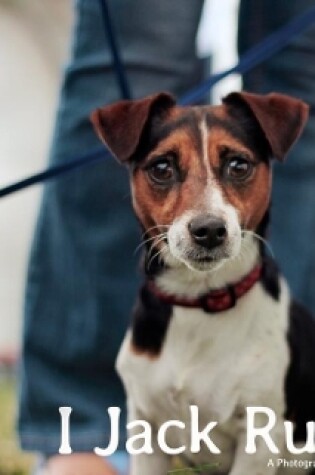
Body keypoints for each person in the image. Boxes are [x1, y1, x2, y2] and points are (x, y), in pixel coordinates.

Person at [18, 1, 315, 474]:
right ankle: (85, 435)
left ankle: (290, 434)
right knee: (136, 54)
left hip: (264, 330)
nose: (205, 214)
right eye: (161, 169)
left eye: (237, 166)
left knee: (307, 64)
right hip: (157, 329)